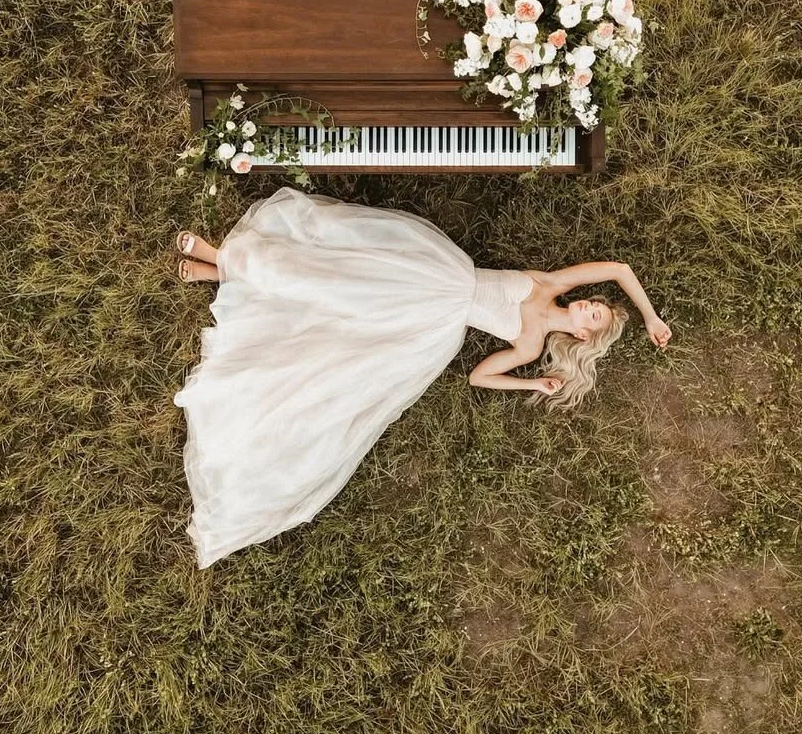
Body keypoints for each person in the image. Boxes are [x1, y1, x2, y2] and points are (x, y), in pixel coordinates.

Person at [173, 185, 672, 568]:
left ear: (585, 338)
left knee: (340, 306)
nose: (590, 306)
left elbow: (480, 377)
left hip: (429, 319)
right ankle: (222, 263)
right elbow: (619, 268)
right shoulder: (550, 285)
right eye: (597, 305)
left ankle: (224, 266)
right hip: (439, 274)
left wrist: (532, 383)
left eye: (594, 317)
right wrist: (649, 317)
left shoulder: (531, 344)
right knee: (341, 270)